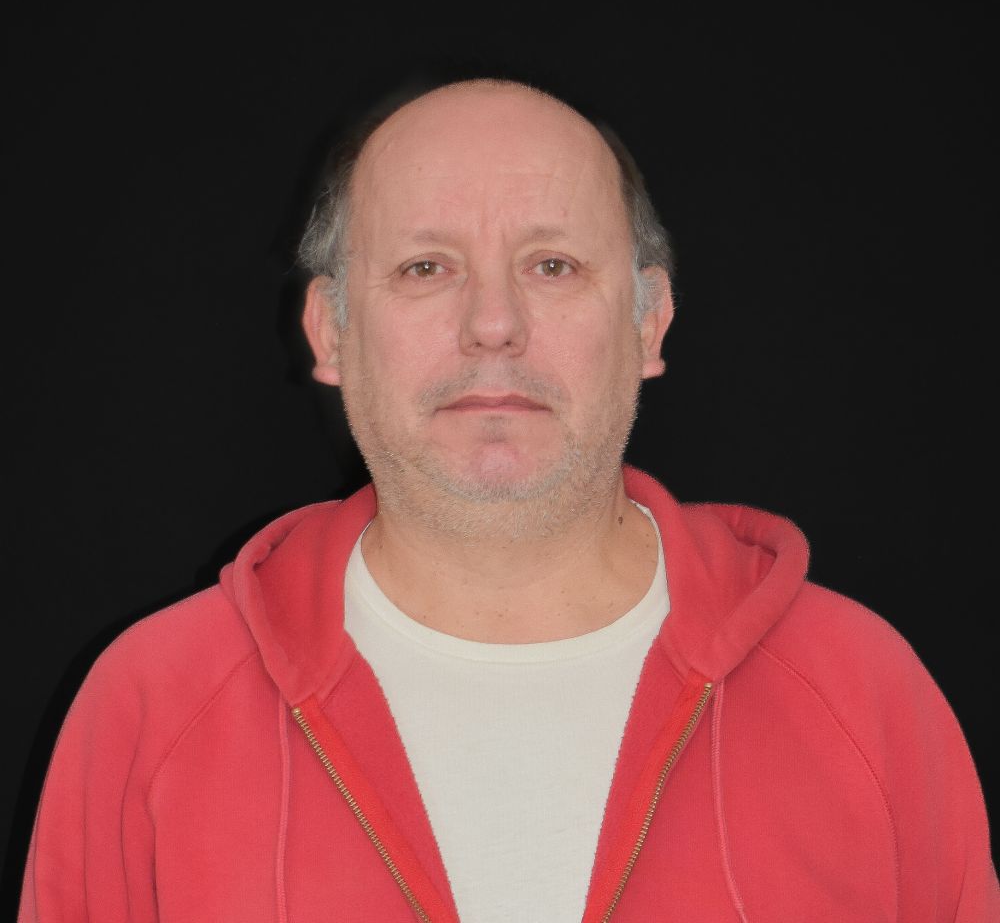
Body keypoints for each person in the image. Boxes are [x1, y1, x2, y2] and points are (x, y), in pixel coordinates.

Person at [18, 79, 998, 922]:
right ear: (329, 331)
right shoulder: (151, 704)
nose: (493, 324)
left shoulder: (862, 691)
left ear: (650, 321)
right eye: (425, 267)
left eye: (552, 265)